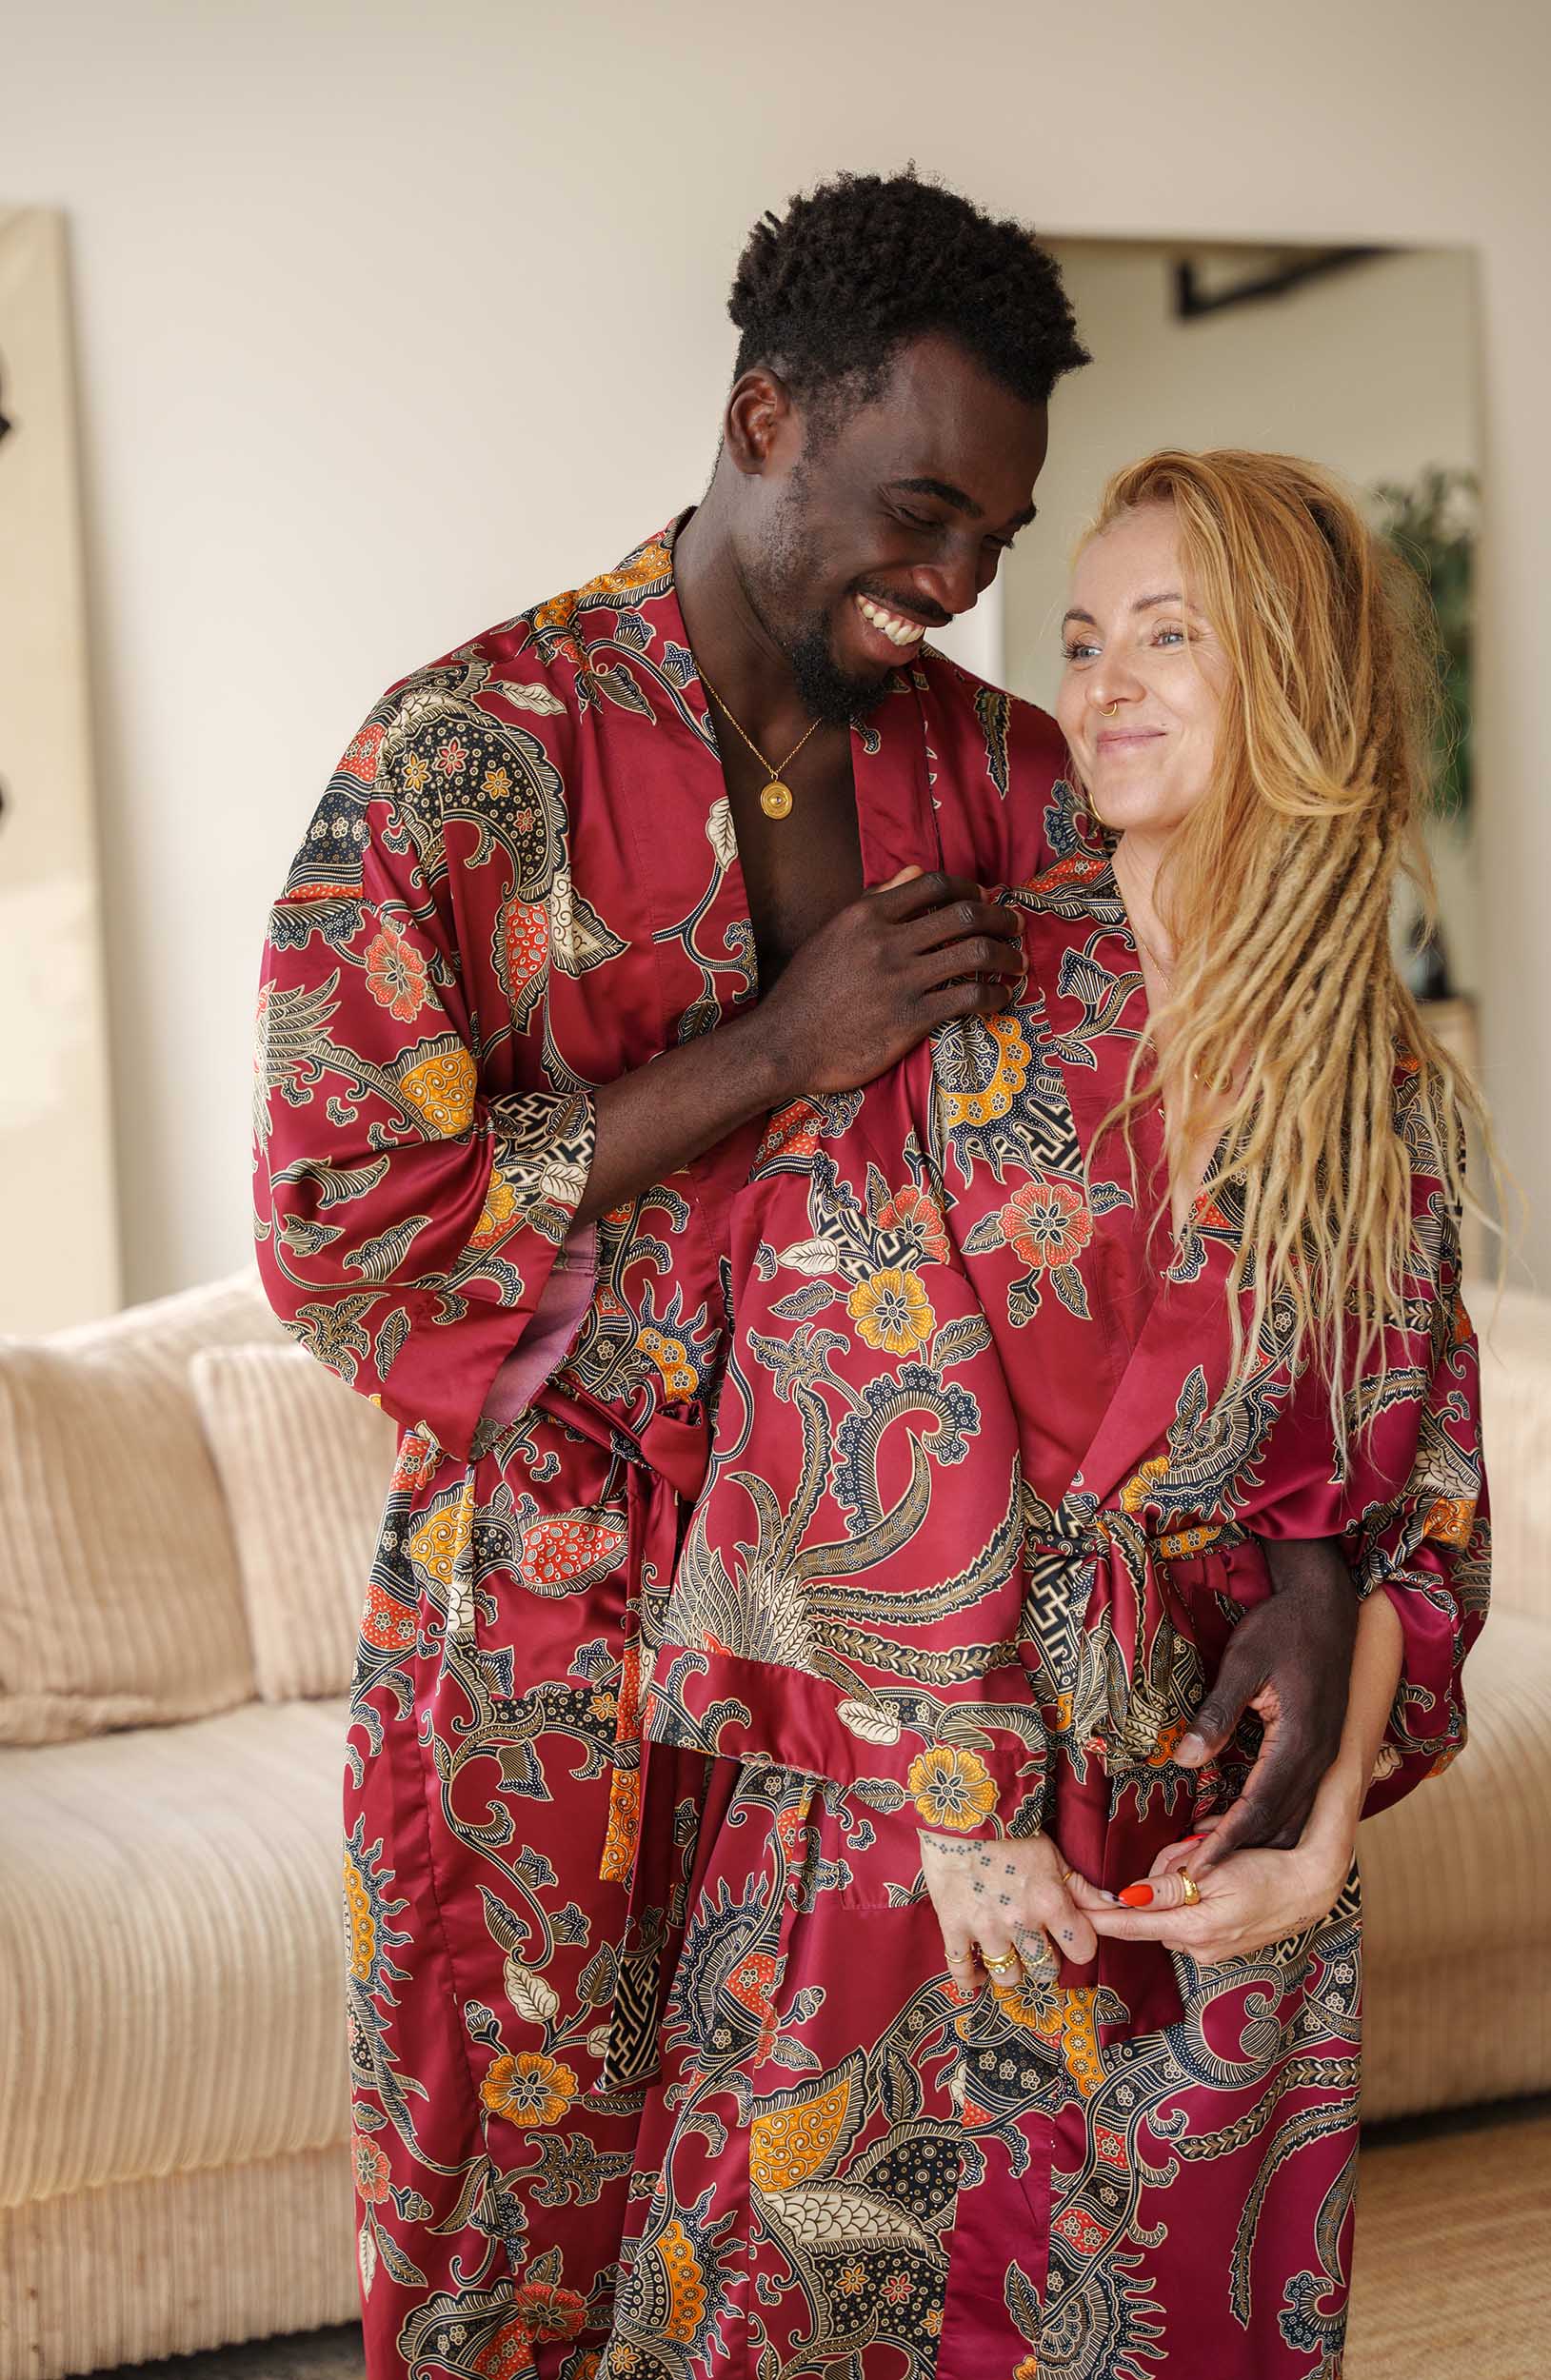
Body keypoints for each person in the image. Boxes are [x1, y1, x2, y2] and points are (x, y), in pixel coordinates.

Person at [253, 165, 1359, 2378]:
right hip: (551, 1633)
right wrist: (768, 1054)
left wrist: (1316, 1561)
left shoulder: (1011, 777)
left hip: (884, 1692)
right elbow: (334, 1226)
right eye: (919, 510)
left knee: (842, 2269)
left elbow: (1194, 1179)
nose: (952, 584)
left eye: (995, 543)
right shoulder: (466, 757)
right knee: (506, 2248)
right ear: (767, 419)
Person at [611, 450, 1488, 2379]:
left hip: (1205, 1832)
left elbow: (1414, 1491)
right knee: (846, 2287)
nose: (1099, 682)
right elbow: (842, 1346)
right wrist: (961, 1787)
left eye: (1169, 635)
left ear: (1300, 672)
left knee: (1159, 2318)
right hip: (923, 1798)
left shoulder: (1378, 1087)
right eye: (1082, 637)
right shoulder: (974, 983)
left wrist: (1322, 1825)